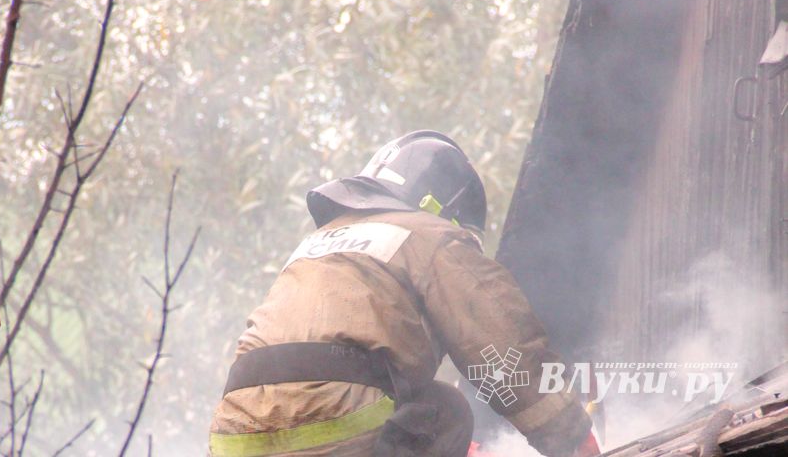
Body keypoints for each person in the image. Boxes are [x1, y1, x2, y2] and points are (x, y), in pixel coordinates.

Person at [209, 131, 599, 457]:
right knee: (447, 412)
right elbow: (508, 354)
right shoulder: (429, 234)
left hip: (233, 437)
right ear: (442, 207)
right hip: (335, 424)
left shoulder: (319, 243)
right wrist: (575, 440)